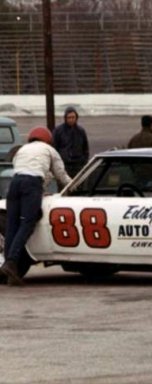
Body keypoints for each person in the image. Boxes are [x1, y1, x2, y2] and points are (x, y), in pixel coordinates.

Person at [0, 127, 72, 285]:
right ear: (47, 140)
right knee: (27, 223)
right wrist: (75, 186)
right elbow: (60, 174)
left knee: (12, 225)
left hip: (15, 184)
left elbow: (21, 168)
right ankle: (11, 262)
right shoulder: (49, 150)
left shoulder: (22, 150)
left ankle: (8, 267)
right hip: (32, 184)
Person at [53, 106, 89, 178]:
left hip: (78, 165)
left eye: (73, 117)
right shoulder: (58, 131)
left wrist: (84, 161)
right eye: (69, 117)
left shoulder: (81, 131)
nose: (71, 120)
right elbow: (54, 148)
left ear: (76, 118)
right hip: (64, 165)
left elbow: (85, 148)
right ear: (65, 118)